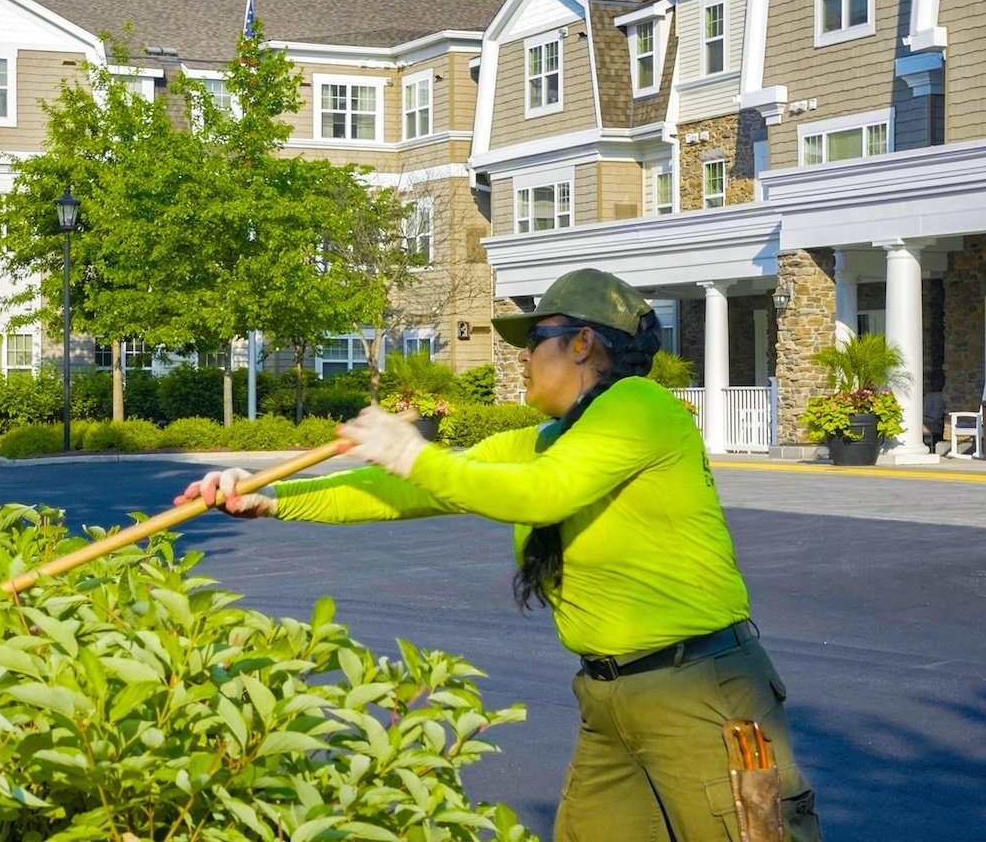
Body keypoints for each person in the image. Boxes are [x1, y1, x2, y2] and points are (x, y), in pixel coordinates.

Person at [179, 268, 820, 842]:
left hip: (701, 694)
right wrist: (271, 496)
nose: (521, 359)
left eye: (534, 340)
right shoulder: (547, 439)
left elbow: (540, 496)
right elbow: (403, 489)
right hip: (610, 697)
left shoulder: (641, 408)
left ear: (581, 344)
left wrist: (410, 450)